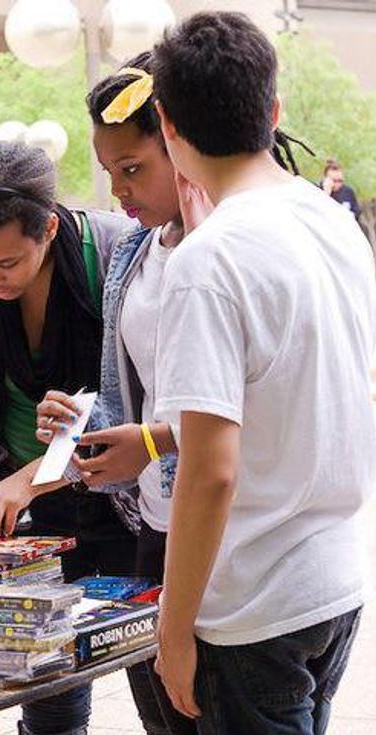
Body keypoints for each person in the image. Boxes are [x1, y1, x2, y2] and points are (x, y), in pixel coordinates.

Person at [149, 12, 375, 733]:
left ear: (167, 124)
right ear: (274, 110)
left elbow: (213, 469)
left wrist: (173, 630)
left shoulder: (208, 261)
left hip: (254, 610)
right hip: (333, 580)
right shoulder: (334, 222)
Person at [0, 140, 138, 735]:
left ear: (49, 227)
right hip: (39, 520)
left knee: (167, 685)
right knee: (49, 695)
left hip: (142, 507)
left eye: (7, 263)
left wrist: (27, 481)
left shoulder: (116, 255)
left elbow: (150, 412)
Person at [36, 54, 198, 735]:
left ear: (182, 143)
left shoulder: (233, 249)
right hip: (155, 523)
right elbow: (137, 398)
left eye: (133, 168)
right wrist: (88, 422)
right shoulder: (134, 254)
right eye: (108, 173)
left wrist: (154, 440)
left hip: (233, 530)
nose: (120, 190)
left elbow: (258, 408)